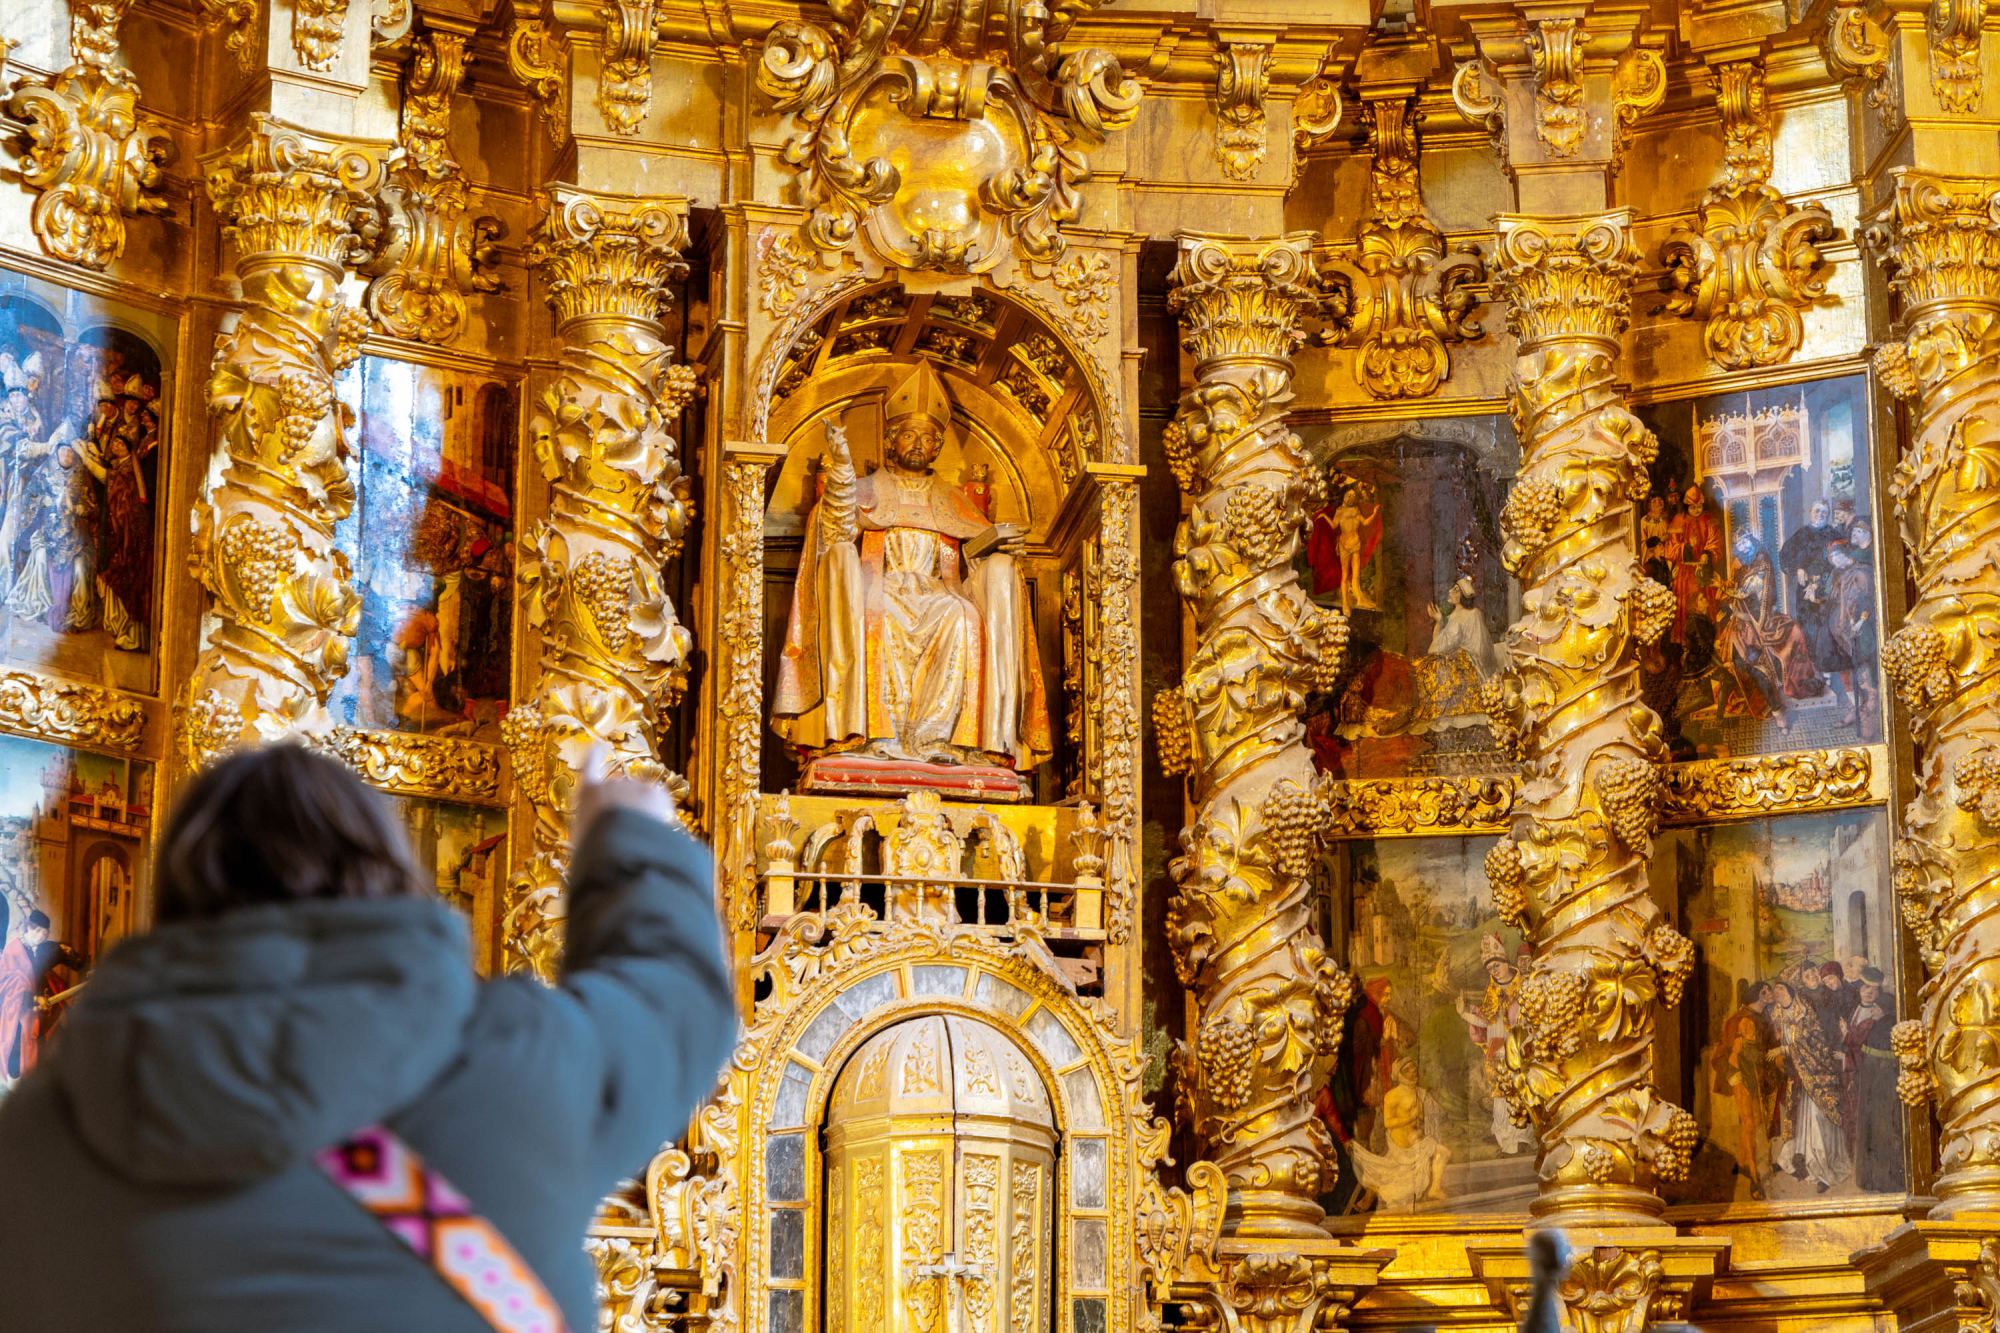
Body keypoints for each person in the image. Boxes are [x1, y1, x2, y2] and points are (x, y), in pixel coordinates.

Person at [0, 743, 734, 1332]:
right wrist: (631, 842)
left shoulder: (39, 1138)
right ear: (388, 875)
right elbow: (675, 1007)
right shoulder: (512, 1067)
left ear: (173, 896)